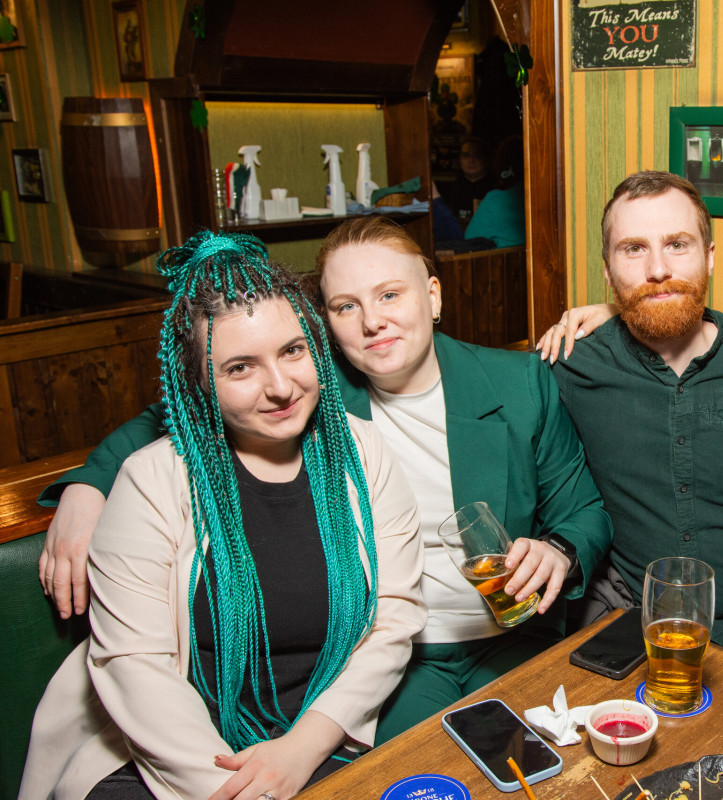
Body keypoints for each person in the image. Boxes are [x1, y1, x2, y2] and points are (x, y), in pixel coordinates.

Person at [36, 216, 612, 739]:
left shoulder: (518, 383)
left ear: (433, 295)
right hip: (397, 656)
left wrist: (559, 550)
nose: (373, 321)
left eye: (390, 294)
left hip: (513, 637)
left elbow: (584, 511)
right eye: (345, 306)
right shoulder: (305, 386)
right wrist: (86, 486)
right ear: (326, 324)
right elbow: (173, 411)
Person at [20, 231, 426, 800]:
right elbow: (134, 665)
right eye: (240, 367)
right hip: (165, 756)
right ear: (199, 381)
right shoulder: (152, 481)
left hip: (319, 741)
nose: (281, 387)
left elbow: (395, 620)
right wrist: (239, 791)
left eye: (293, 350)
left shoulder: (363, 454)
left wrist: (302, 749)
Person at [538, 171, 723, 657]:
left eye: (677, 245)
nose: (658, 268)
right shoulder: (571, 365)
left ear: (709, 256)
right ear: (608, 271)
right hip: (631, 630)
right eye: (633, 249)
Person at [462, 135, 525, 248]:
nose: (471, 160)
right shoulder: (544, 196)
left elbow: (470, 241)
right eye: (466, 155)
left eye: (478, 155)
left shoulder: (496, 199)